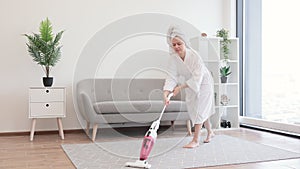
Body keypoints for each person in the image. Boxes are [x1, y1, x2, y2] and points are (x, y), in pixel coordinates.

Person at [163, 25, 215, 148]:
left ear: (184, 43)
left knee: (200, 109)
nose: (176, 47)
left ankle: (195, 140)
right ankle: (210, 131)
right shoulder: (173, 59)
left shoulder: (194, 56)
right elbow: (171, 76)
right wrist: (166, 93)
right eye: (173, 44)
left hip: (203, 82)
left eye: (179, 44)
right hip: (189, 84)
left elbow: (198, 76)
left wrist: (180, 88)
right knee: (196, 108)